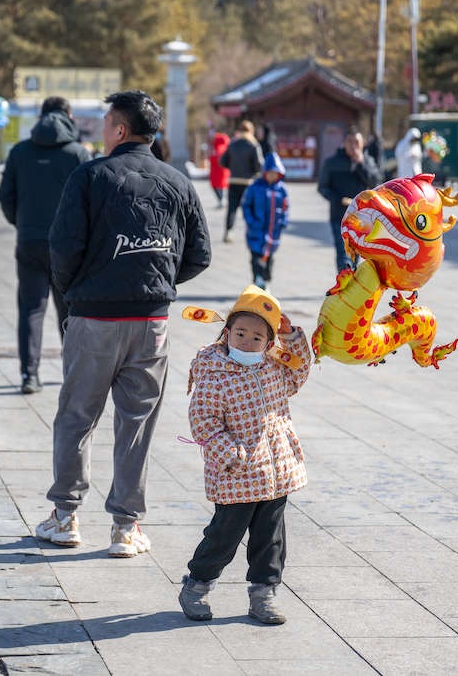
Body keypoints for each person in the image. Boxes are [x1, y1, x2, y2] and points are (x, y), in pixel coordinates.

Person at [35, 90, 211, 557]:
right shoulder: (177, 182)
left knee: (77, 415)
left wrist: (75, 290)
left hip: (94, 316)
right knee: (137, 422)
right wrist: (158, 280)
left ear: (119, 129)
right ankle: (125, 527)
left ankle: (65, 516)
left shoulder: (90, 176)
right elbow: (200, 254)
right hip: (151, 322)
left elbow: (63, 247)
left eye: (106, 122)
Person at [178, 285, 312, 624]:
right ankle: (196, 586)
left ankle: (263, 595)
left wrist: (292, 337)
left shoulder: (275, 367)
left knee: (271, 540)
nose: (247, 342)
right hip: (236, 474)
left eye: (256, 337)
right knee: (224, 536)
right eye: (240, 333)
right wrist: (228, 453)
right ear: (227, 333)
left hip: (275, 473)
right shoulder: (215, 373)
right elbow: (203, 419)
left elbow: (300, 371)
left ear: (268, 342)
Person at [0, 97, 91, 394]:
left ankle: (29, 375)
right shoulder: (78, 154)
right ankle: (73, 372)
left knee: (31, 309)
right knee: (70, 311)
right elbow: (91, 201)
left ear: (41, 116)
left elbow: (5, 195)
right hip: (68, 246)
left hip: (30, 240)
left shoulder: (20, 151)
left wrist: (21, 223)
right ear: (68, 116)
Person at [317, 128, 382, 273]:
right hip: (339, 216)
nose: (353, 146)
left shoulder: (368, 161)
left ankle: (350, 279)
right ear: (344, 143)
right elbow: (322, 187)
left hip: (362, 217)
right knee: (343, 252)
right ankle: (344, 276)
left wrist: (361, 164)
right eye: (350, 142)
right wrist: (337, 199)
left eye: (356, 142)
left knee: (356, 253)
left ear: (363, 143)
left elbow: (376, 183)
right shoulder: (332, 162)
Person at [241, 152, 289, 290]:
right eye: (270, 173)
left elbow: (285, 207)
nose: (272, 176)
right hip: (256, 230)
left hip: (273, 231)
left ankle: (266, 280)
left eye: (275, 173)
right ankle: (258, 279)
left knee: (269, 258)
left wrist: (283, 221)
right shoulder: (255, 187)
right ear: (265, 172)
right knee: (256, 257)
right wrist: (251, 221)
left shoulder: (281, 189)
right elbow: (246, 205)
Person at [220, 120, 263, 243]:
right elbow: (259, 165)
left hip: (233, 181)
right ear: (251, 131)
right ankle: (253, 231)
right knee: (250, 208)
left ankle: (228, 232)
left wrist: (233, 167)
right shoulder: (254, 145)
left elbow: (222, 161)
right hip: (248, 182)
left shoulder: (232, 144)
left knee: (231, 209)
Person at [208, 131, 230, 208]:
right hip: (223, 172)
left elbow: (214, 159)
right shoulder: (225, 147)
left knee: (217, 186)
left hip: (217, 172)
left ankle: (221, 200)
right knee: (221, 187)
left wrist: (210, 157)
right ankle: (222, 199)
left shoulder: (218, 148)